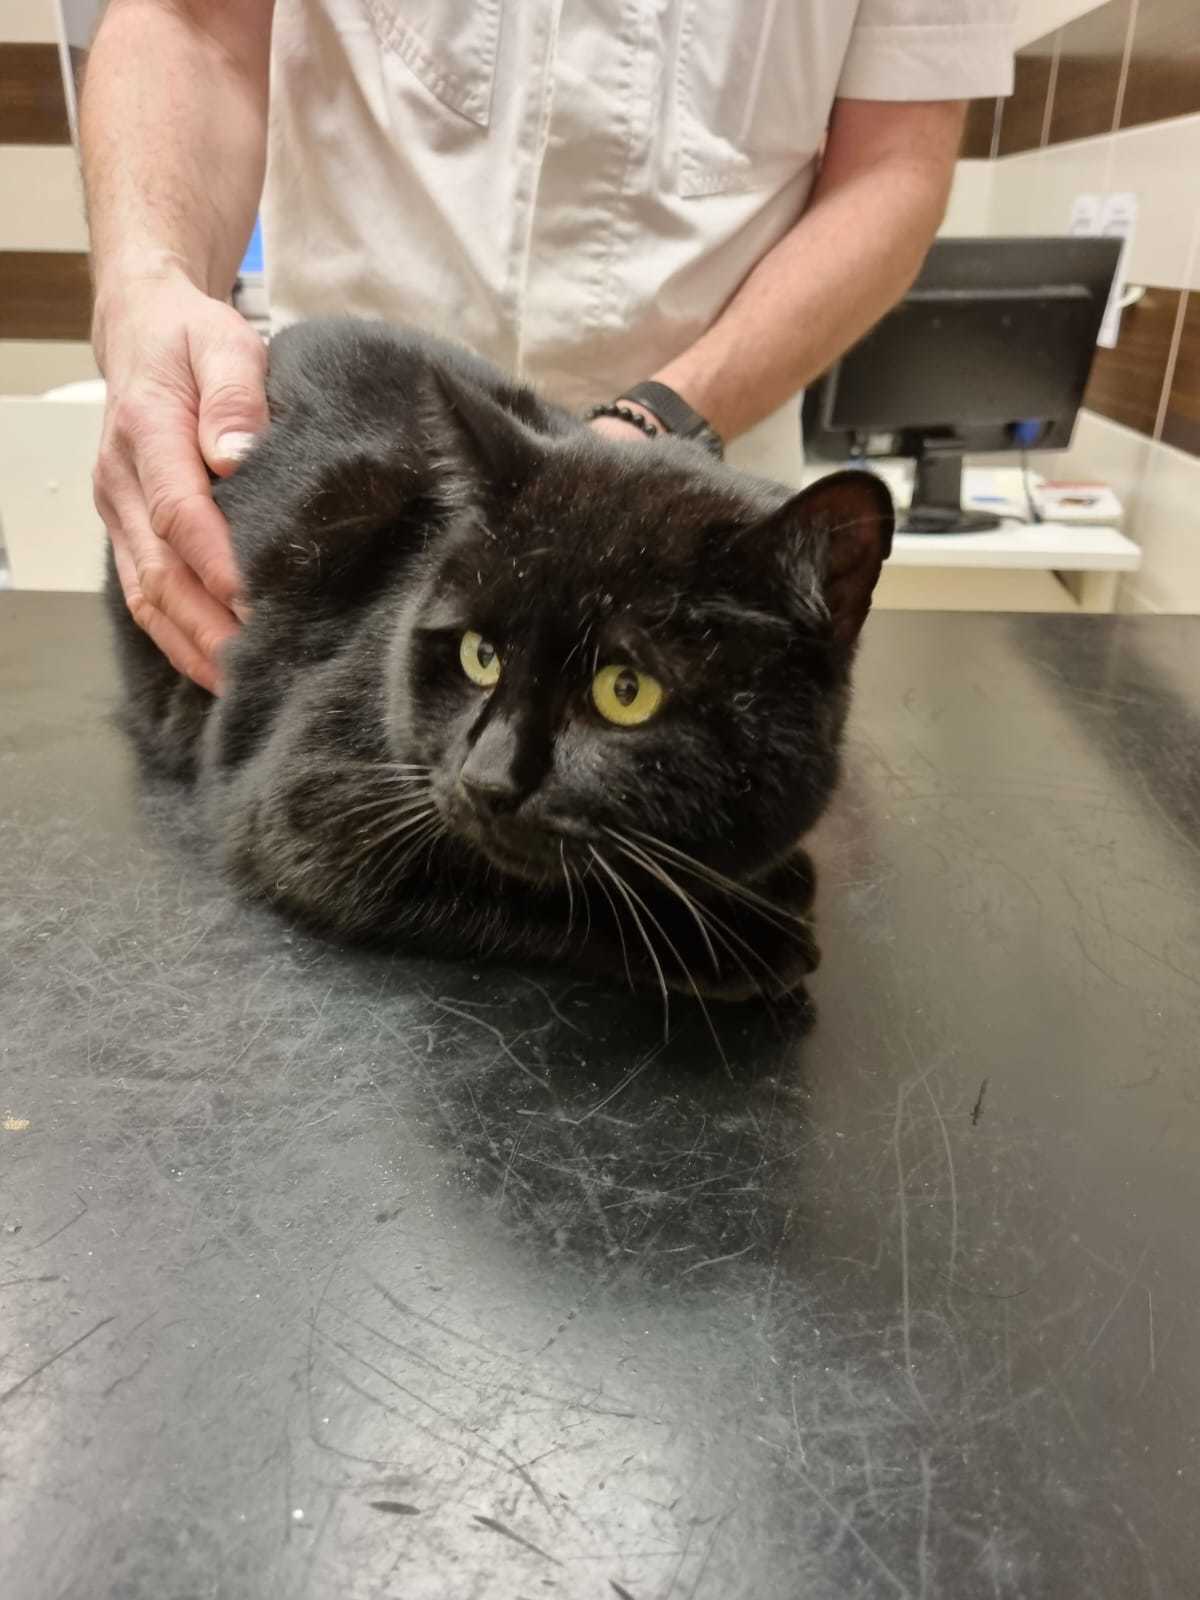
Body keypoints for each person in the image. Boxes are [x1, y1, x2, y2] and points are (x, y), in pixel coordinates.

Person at [82, 0, 1015, 694]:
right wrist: (146, 283)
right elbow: (187, 21)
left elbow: (895, 164)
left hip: (701, 510)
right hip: (354, 480)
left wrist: (659, 422)